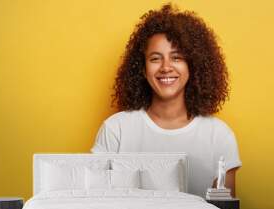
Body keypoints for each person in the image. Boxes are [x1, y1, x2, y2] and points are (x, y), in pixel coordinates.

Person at [90, 3, 241, 198]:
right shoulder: (116, 130)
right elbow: (96, 206)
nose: (166, 67)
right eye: (155, 58)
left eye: (176, 57)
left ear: (192, 66)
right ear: (143, 69)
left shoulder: (219, 136)